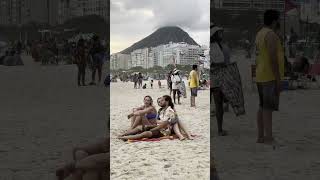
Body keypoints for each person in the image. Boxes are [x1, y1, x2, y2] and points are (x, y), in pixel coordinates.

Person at [255, 10, 284, 144]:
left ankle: (261, 136)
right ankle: (268, 137)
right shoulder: (271, 35)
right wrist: (278, 78)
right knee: (268, 108)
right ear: (274, 21)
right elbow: (272, 58)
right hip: (269, 75)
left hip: (261, 74)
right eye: (278, 20)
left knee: (262, 107)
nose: (280, 22)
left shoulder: (260, 33)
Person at [118, 95, 192, 141]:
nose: (160, 103)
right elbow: (158, 121)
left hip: (163, 131)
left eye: (162, 101)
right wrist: (156, 124)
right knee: (140, 128)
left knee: (145, 133)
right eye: (159, 102)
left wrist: (155, 126)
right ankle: (124, 134)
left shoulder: (170, 110)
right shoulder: (160, 110)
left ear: (167, 102)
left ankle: (126, 137)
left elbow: (168, 122)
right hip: (157, 127)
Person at [210, 25, 232, 136]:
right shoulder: (220, 47)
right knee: (218, 105)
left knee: (215, 105)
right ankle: (219, 130)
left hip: (210, 79)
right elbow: (223, 62)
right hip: (217, 80)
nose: (221, 35)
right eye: (219, 33)